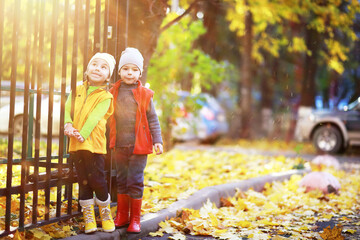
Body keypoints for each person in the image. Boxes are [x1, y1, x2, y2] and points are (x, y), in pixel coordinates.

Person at [108, 47, 163, 233]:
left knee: (135, 180)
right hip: (120, 145)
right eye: (125, 69)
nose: (129, 73)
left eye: (133, 69)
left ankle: (135, 219)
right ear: (120, 71)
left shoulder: (145, 94)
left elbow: (153, 119)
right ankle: (122, 216)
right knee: (122, 179)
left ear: (139, 72)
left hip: (139, 146)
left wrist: (158, 140)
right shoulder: (113, 92)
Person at [64, 52, 116, 234]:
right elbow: (68, 109)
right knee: (83, 182)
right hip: (77, 144)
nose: (98, 69)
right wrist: (68, 125)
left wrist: (83, 134)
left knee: (97, 180)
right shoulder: (76, 90)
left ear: (108, 75)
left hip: (94, 145)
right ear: (87, 69)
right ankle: (89, 219)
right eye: (95, 64)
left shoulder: (106, 97)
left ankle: (105, 214)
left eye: (103, 67)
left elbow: (95, 117)